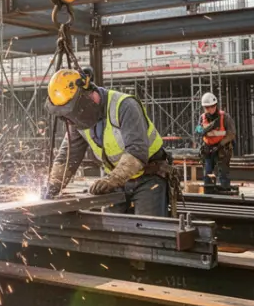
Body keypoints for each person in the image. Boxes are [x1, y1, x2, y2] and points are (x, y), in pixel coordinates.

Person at [41, 69, 171, 217]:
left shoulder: (124, 106)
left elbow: (137, 151)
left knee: (148, 229)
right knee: (110, 230)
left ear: (85, 97)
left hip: (148, 178)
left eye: (71, 112)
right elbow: (68, 157)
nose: (70, 119)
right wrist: (54, 185)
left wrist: (112, 180)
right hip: (115, 182)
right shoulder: (78, 121)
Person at [196, 92, 236, 188]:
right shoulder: (202, 117)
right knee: (208, 174)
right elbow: (197, 130)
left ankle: (225, 192)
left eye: (210, 107)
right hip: (208, 149)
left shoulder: (224, 117)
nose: (209, 110)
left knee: (223, 174)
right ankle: (209, 193)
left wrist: (220, 145)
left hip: (222, 148)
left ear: (215, 106)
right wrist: (204, 129)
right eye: (206, 107)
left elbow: (232, 134)